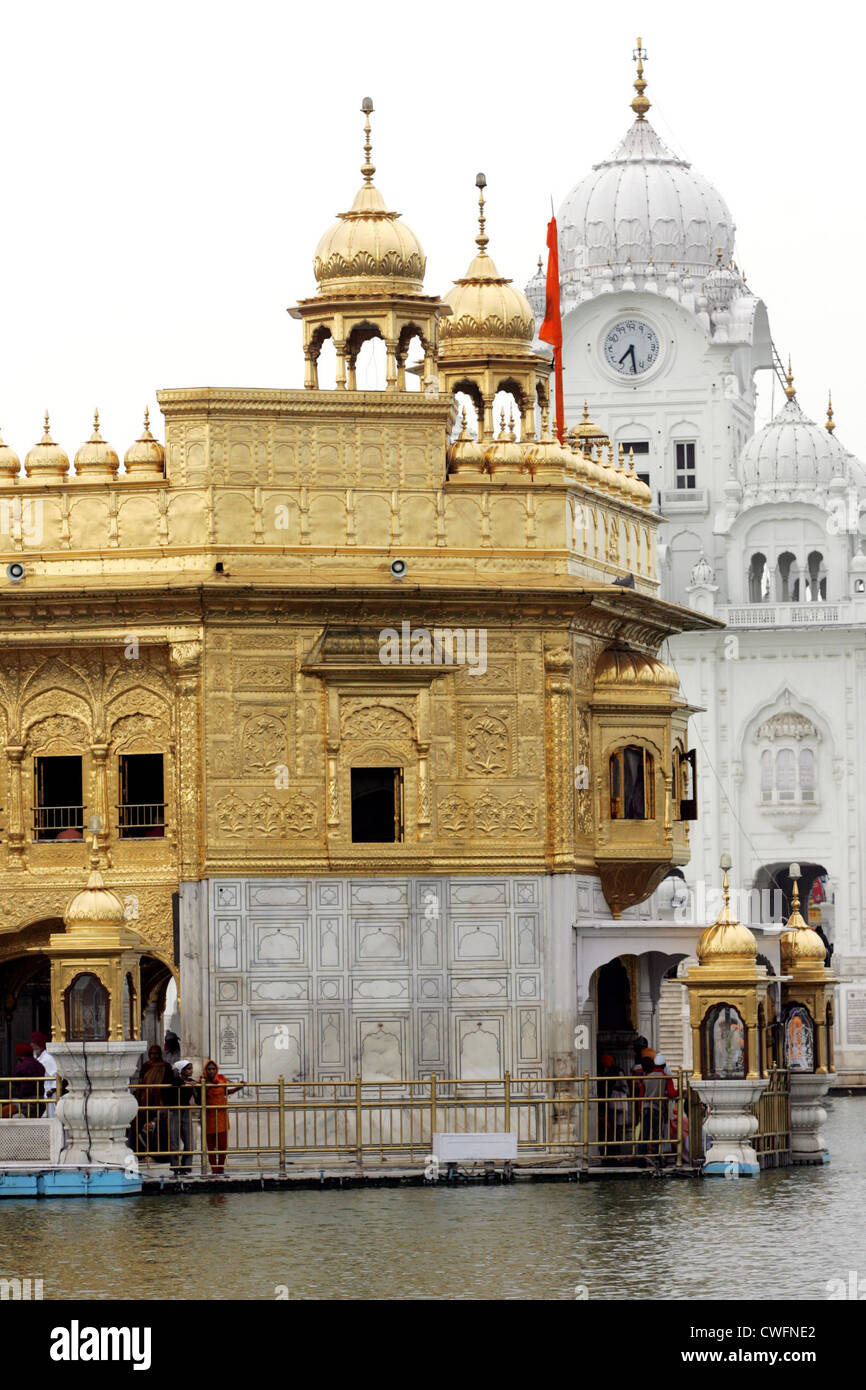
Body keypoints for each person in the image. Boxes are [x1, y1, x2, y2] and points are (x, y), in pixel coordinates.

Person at [200, 1059, 245, 1175]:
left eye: (213, 1069)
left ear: (216, 1069)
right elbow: (201, 1094)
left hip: (221, 1116)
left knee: (222, 1146)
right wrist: (209, 1084)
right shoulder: (203, 1080)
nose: (211, 1071)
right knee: (210, 1146)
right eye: (209, 1069)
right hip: (209, 1116)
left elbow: (226, 1092)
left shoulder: (221, 1079)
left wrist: (238, 1088)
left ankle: (221, 1169)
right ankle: (214, 1170)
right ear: (206, 1070)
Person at [133, 1044, 175, 1160]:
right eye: (152, 1054)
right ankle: (143, 1154)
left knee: (159, 1129)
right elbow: (141, 1082)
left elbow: (168, 1084)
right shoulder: (146, 1066)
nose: (154, 1056)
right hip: (146, 1101)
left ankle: (158, 1155)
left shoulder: (166, 1067)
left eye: (156, 1053)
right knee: (143, 1128)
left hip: (159, 1101)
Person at [640, 1053, 677, 1163]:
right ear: (664, 1065)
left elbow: (641, 1095)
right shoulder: (665, 1077)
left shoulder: (646, 1077)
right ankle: (657, 1159)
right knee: (657, 1134)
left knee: (644, 1134)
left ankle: (641, 1159)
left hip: (646, 1108)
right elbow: (671, 1093)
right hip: (657, 1109)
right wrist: (681, 1093)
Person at [171, 1061, 197, 1174]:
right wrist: (185, 1083)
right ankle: (175, 1166)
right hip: (175, 1111)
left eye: (191, 1069)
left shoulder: (191, 1082)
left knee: (189, 1141)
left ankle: (186, 1166)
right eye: (188, 1069)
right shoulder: (176, 1080)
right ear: (182, 1071)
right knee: (174, 1140)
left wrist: (195, 1088)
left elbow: (198, 1099)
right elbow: (175, 1082)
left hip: (185, 1111)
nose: (190, 1071)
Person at [12, 1042, 45, 1117]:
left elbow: (14, 1081)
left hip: (27, 1100)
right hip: (41, 1098)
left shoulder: (22, 1065)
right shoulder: (39, 1064)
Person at [31, 1032, 58, 1117]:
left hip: (49, 1093)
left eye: (33, 1043)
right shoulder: (35, 1056)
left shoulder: (48, 1058)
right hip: (41, 1091)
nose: (31, 1045)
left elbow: (56, 1074)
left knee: (50, 1115)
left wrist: (52, 1090)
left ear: (39, 1045)